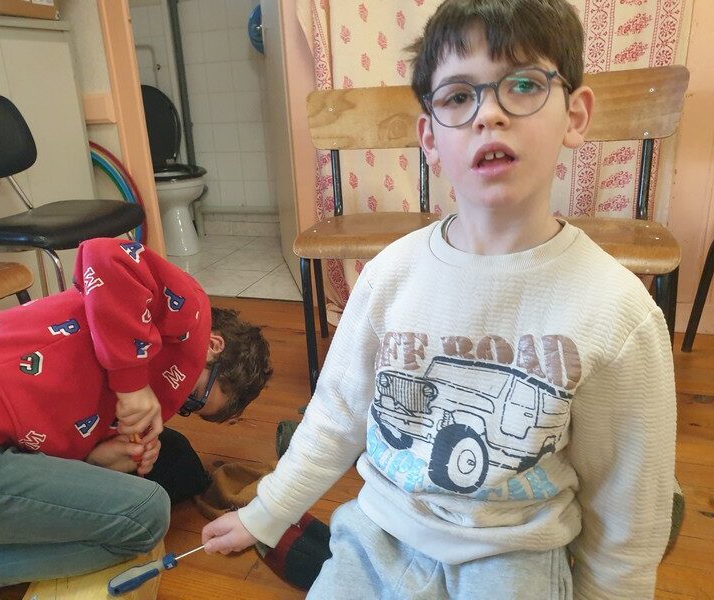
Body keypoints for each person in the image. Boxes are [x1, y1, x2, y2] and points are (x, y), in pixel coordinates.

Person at [201, 1, 677, 599]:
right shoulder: (388, 277)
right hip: (379, 531)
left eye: (523, 85)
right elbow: (336, 416)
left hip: (516, 552)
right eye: (458, 96)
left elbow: (630, 503)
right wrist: (267, 511)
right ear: (429, 137)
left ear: (575, 115)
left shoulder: (618, 312)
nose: (490, 114)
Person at [0, 237, 272, 598]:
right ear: (212, 345)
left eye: (189, 408)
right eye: (196, 394)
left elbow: (38, 445)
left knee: (148, 499)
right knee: (147, 515)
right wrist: (132, 383)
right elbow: (102, 253)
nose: (178, 402)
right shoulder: (189, 314)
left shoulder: (115, 402)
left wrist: (93, 460)